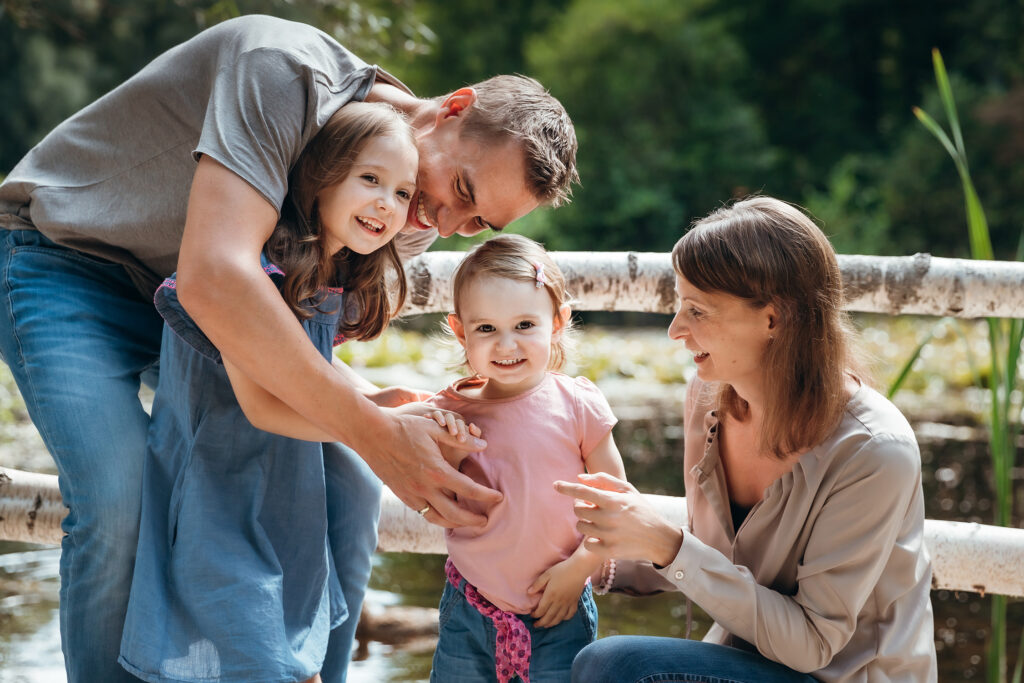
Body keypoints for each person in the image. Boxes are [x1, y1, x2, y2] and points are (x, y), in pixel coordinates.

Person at [0, 14, 578, 683]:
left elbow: (293, 334)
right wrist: (375, 432)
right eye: (464, 191)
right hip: (62, 258)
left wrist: (385, 407)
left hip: (197, 318)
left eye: (478, 221)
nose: (446, 223)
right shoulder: (281, 70)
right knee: (119, 496)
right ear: (453, 109)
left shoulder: (405, 208)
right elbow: (217, 280)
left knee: (349, 483)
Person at [556, 197, 937, 682]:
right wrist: (595, 560)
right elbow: (714, 557)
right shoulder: (707, 398)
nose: (675, 330)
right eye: (679, 306)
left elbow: (812, 643)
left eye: (697, 310)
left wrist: (667, 545)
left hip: (839, 674)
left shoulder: (875, 450)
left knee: (614, 665)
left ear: (773, 320)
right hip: (749, 660)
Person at [118, 100, 420, 682]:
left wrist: (383, 398)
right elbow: (263, 404)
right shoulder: (252, 275)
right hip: (217, 491)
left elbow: (312, 367)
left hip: (287, 493)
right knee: (252, 656)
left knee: (294, 657)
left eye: (403, 192)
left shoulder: (326, 275)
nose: (388, 202)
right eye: (370, 179)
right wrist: (380, 428)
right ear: (320, 175)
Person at [422, 234, 627, 683]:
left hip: (561, 603)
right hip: (471, 603)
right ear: (460, 331)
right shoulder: (448, 413)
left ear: (557, 322)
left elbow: (617, 504)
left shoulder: (578, 404)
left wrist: (581, 567)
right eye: (486, 329)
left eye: (524, 325)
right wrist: (450, 455)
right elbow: (431, 498)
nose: (506, 345)